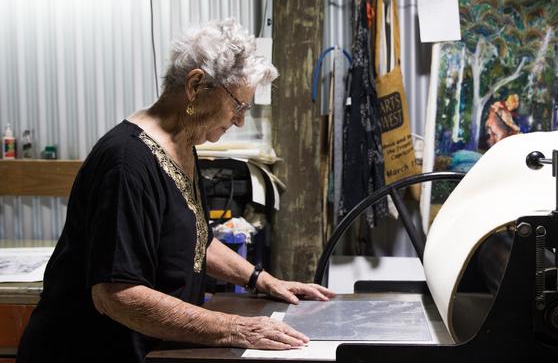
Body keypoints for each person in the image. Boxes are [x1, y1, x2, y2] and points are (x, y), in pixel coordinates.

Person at [17, 18, 335, 363]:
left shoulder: (183, 142)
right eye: (238, 105)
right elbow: (116, 294)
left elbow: (197, 238)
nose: (240, 120)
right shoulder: (126, 162)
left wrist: (261, 279)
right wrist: (236, 328)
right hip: (84, 352)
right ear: (196, 85)